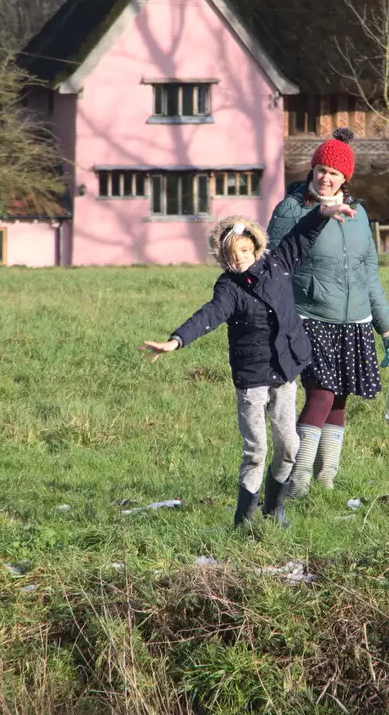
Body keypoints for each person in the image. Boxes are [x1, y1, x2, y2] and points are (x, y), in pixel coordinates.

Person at [142, 201, 354, 527]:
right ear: (223, 259)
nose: (238, 257)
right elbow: (208, 316)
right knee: (256, 450)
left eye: (243, 249)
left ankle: (274, 508)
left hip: (284, 372)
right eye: (230, 254)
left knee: (289, 446)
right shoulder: (229, 287)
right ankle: (243, 520)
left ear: (254, 246)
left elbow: (302, 235)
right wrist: (176, 340)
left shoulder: (279, 263)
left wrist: (322, 213)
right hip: (252, 378)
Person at [266, 127, 389, 497]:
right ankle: (296, 483)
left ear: (346, 178)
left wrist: (388, 329)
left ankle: (326, 479)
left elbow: (369, 274)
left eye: (334, 173)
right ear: (311, 171)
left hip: (354, 322)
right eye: (320, 170)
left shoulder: (358, 215)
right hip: (308, 319)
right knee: (322, 394)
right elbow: (273, 268)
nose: (326, 178)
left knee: (340, 398)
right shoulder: (292, 209)